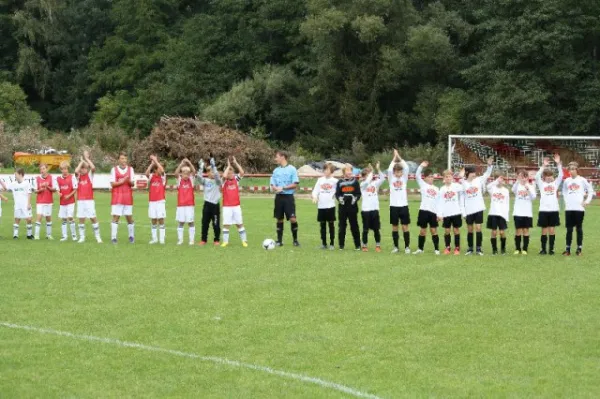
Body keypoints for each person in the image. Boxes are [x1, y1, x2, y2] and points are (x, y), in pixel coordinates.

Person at [460, 157, 494, 255]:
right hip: (468, 210)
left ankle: (479, 249)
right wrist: (463, 212)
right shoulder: (463, 183)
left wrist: (489, 165)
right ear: (468, 173)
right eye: (472, 172)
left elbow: (487, 174)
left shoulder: (479, 180)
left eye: (474, 172)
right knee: (470, 229)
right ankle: (470, 249)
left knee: (478, 228)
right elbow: (462, 198)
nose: (474, 174)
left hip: (478, 208)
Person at [561, 162, 594, 256]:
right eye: (570, 169)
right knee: (569, 229)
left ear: (577, 170)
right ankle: (567, 249)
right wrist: (566, 199)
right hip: (569, 209)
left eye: (573, 169)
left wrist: (587, 201)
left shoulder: (582, 180)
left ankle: (579, 249)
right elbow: (564, 191)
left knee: (578, 229)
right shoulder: (567, 181)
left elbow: (590, 190)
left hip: (579, 209)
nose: (571, 171)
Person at [270, 151, 300, 246]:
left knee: (292, 219)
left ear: (283, 157)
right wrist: (275, 188)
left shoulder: (292, 169)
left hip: (288, 197)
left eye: (277, 157)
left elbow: (295, 184)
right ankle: (279, 241)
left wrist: (283, 188)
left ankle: (295, 240)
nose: (276, 159)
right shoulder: (276, 171)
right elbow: (272, 184)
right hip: (279, 197)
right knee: (279, 219)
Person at [535, 154, 562, 255]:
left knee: (552, 230)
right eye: (548, 176)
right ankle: (543, 249)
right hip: (543, 210)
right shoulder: (542, 184)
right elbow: (537, 176)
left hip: (554, 210)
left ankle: (551, 249)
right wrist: (543, 166)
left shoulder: (555, 183)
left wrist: (558, 163)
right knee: (544, 230)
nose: (550, 178)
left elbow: (561, 175)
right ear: (544, 177)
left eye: (551, 176)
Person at [74, 151, 102, 243]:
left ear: (87, 169)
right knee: (81, 218)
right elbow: (75, 171)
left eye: (84, 168)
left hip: (89, 201)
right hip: (80, 201)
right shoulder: (78, 177)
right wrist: (81, 162)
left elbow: (93, 167)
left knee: (93, 218)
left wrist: (86, 159)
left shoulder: (89, 176)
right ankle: (82, 237)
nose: (82, 170)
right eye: (81, 168)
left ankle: (98, 237)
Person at [436, 170, 465, 255]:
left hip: (456, 212)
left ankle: (457, 248)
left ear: (452, 178)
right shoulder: (442, 189)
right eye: (446, 177)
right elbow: (440, 202)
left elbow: (464, 187)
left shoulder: (456, 186)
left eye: (449, 176)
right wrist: (439, 214)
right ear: (444, 179)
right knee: (447, 231)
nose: (448, 178)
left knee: (456, 230)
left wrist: (462, 177)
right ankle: (447, 247)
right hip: (446, 213)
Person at [414, 161, 440, 255]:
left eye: (432, 176)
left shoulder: (437, 189)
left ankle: (437, 249)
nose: (431, 178)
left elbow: (439, 203)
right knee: (422, 231)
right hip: (423, 211)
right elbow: (417, 175)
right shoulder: (423, 185)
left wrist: (439, 214)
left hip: (433, 212)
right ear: (425, 178)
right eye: (429, 176)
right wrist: (421, 166)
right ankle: (420, 249)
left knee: (433, 230)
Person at [388, 149, 411, 254]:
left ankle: (407, 247)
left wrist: (399, 156)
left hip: (403, 206)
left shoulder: (404, 178)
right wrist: (394, 157)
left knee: (405, 226)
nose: (400, 173)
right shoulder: (391, 178)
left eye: (401, 172)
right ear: (394, 172)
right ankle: (396, 247)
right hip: (393, 206)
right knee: (395, 226)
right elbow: (389, 169)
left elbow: (406, 167)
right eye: (397, 171)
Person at [221, 156, 247, 247]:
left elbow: (242, 172)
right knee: (226, 224)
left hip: (236, 206)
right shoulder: (223, 182)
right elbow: (224, 176)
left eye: (232, 173)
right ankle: (225, 242)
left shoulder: (236, 180)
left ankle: (244, 241)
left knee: (239, 223)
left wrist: (235, 163)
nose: (231, 174)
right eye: (229, 173)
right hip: (227, 207)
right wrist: (228, 166)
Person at [110, 152, 135, 244]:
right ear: (118, 160)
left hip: (127, 196)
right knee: (116, 217)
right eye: (122, 158)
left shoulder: (130, 169)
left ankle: (131, 236)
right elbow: (112, 184)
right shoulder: (114, 170)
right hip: (117, 196)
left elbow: (132, 183)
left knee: (129, 217)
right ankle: (113, 238)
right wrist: (122, 181)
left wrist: (127, 180)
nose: (124, 160)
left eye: (125, 158)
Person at [359, 162, 386, 252]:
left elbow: (382, 178)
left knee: (376, 229)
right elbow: (367, 181)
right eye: (366, 175)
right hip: (366, 210)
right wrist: (372, 171)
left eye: (368, 175)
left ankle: (378, 245)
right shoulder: (362, 184)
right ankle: (364, 245)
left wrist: (378, 169)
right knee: (365, 229)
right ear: (363, 176)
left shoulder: (375, 183)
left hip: (375, 209)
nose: (368, 177)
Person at [1, 169, 33, 239]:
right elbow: (6, 188)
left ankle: (29, 235)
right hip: (17, 205)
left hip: (25, 205)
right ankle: (15, 235)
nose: (15, 176)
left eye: (16, 174)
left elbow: (29, 193)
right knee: (17, 219)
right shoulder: (13, 184)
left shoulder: (27, 183)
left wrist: (28, 204)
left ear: (21, 174)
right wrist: (0, 181)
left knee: (29, 219)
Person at [197, 155, 222, 246]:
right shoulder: (205, 181)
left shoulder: (217, 181)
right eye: (208, 171)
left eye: (211, 171)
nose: (210, 173)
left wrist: (214, 166)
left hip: (215, 205)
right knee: (204, 223)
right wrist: (200, 167)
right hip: (207, 204)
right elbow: (199, 178)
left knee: (216, 224)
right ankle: (203, 239)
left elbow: (217, 176)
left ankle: (216, 240)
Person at [311, 163, 338, 250]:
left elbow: (339, 192)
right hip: (321, 206)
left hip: (330, 206)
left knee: (331, 225)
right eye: (325, 169)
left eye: (328, 169)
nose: (326, 171)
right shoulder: (320, 180)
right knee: (322, 225)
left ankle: (332, 244)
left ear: (332, 171)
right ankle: (323, 243)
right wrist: (314, 197)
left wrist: (337, 195)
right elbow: (315, 191)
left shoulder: (335, 181)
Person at [336, 165, 361, 251]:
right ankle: (341, 245)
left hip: (352, 207)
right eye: (347, 170)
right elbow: (337, 194)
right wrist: (340, 199)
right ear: (344, 172)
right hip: (342, 208)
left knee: (354, 225)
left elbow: (358, 193)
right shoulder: (339, 182)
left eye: (350, 170)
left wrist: (355, 199)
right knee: (342, 226)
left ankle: (357, 245)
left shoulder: (355, 182)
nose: (350, 172)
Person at [512, 170, 536, 255]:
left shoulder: (530, 186)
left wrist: (528, 189)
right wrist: (518, 181)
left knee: (526, 230)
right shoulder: (517, 185)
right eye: (521, 176)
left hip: (527, 213)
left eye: (524, 177)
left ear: (527, 177)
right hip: (517, 212)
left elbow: (533, 197)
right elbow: (513, 190)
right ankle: (517, 249)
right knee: (518, 231)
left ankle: (525, 249)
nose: (523, 178)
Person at [486, 172, 510, 255]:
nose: (501, 181)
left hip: (502, 214)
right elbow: (487, 186)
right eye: (499, 179)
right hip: (493, 213)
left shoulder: (506, 191)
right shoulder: (492, 188)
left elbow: (507, 204)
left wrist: (506, 217)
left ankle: (503, 249)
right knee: (493, 232)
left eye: (502, 179)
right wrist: (496, 181)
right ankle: (494, 250)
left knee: (502, 232)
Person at [174, 158, 197, 246]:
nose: (186, 175)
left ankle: (191, 240)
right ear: (182, 174)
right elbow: (176, 173)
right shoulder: (179, 180)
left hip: (189, 205)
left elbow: (194, 172)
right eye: (184, 173)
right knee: (181, 222)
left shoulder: (191, 180)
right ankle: (180, 240)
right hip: (181, 205)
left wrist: (189, 162)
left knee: (191, 222)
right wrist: (181, 164)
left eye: (188, 173)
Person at [145, 155, 166, 244]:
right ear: (155, 169)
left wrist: (156, 160)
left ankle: (162, 239)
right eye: (158, 168)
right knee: (153, 220)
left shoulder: (162, 177)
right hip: (152, 201)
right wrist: (152, 164)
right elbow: (146, 173)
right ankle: (154, 239)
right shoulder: (151, 177)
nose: (160, 169)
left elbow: (163, 171)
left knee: (161, 219)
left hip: (160, 201)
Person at [56, 161, 78, 242]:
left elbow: (75, 189)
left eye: (65, 169)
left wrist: (69, 195)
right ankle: (64, 236)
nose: (64, 171)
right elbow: (57, 189)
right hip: (62, 202)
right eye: (62, 169)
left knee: (70, 217)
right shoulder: (58, 179)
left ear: (67, 169)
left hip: (71, 201)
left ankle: (74, 235)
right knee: (64, 219)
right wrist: (59, 193)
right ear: (61, 170)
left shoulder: (72, 177)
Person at [34, 163, 56, 240]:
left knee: (48, 218)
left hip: (48, 201)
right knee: (39, 217)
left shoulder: (51, 178)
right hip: (40, 201)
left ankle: (48, 235)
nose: (42, 170)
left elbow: (54, 189)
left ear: (47, 169)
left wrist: (48, 187)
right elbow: (35, 190)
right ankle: (36, 235)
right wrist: (40, 190)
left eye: (43, 169)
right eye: (41, 169)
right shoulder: (37, 178)